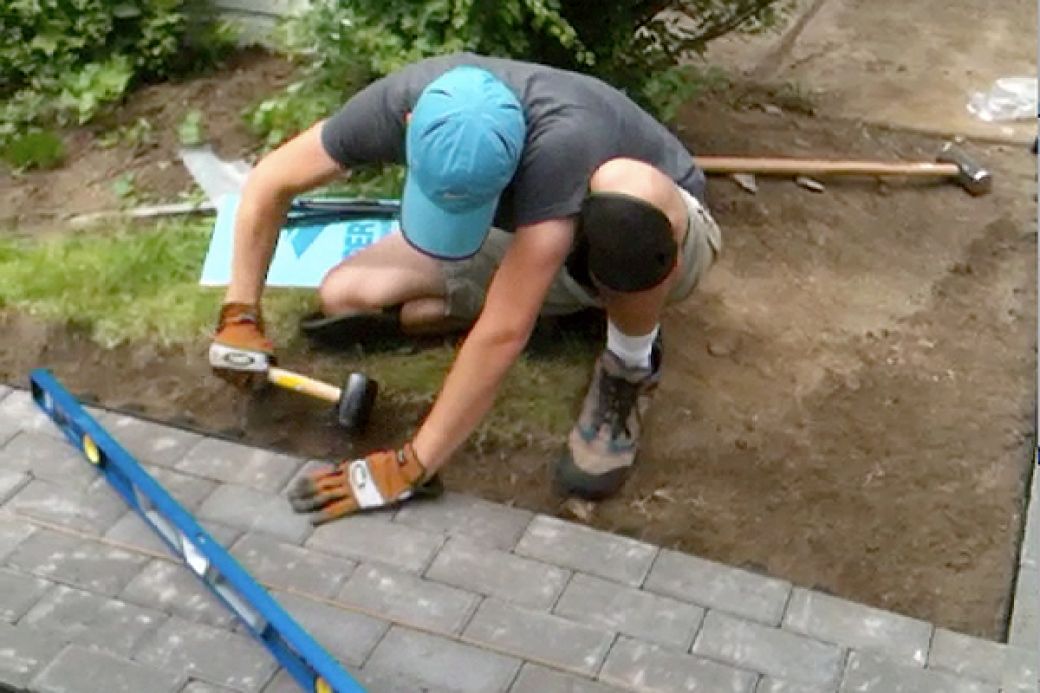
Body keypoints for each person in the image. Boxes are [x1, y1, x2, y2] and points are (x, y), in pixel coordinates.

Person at [209, 52, 722, 524]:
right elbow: (269, 181)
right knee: (347, 294)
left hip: (658, 237)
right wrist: (240, 313)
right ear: (409, 128)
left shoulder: (562, 142)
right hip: (535, 237)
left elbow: (503, 331)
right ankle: (566, 309)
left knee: (627, 197)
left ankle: (629, 360)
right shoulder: (405, 100)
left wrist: (412, 464)